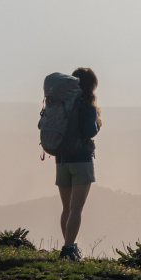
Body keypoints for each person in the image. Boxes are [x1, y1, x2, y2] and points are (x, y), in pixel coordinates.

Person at [56, 67, 101, 261]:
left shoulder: (62, 104)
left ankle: (69, 245)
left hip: (61, 160)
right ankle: (68, 250)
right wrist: (99, 124)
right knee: (76, 209)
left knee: (66, 208)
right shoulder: (87, 106)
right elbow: (89, 131)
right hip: (81, 160)